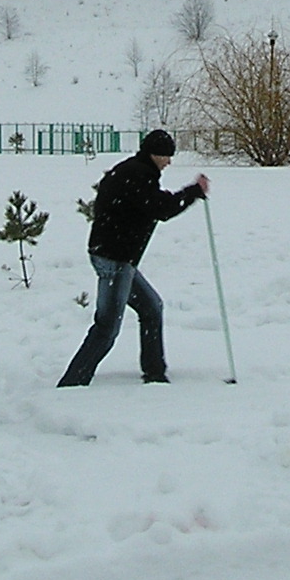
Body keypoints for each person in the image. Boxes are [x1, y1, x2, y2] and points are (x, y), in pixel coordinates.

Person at [56, 128, 208, 387]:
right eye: (166, 156)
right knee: (106, 327)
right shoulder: (138, 175)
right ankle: (72, 383)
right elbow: (161, 208)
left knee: (151, 308)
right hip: (114, 259)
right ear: (154, 154)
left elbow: (152, 203)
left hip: (116, 257)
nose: (169, 162)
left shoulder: (135, 171)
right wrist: (192, 193)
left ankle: (155, 373)